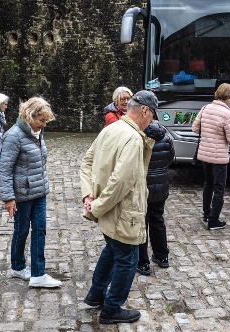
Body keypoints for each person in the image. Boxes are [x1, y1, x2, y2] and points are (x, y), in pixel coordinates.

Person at [80, 90, 157, 324]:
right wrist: (97, 206)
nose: (151, 121)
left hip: (111, 211)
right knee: (128, 259)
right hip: (123, 212)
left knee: (112, 252)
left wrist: (89, 195)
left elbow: (86, 162)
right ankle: (112, 309)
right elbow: (121, 182)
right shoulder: (133, 138)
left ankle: (96, 295)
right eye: (152, 116)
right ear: (144, 110)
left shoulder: (111, 129)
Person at [0, 97, 62, 288]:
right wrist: (9, 198)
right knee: (22, 230)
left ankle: (38, 274)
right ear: (29, 116)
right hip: (22, 194)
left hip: (39, 191)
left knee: (40, 230)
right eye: (41, 120)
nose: (44, 125)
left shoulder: (37, 133)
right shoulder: (14, 136)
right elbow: (5, 169)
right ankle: (18, 267)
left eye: (45, 121)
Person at [192, 83, 230, 230]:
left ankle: (206, 213)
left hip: (205, 154)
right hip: (219, 157)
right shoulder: (226, 113)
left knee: (208, 184)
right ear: (228, 97)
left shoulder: (205, 108)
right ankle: (214, 221)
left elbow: (195, 128)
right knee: (219, 188)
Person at [137, 122, 175, 276]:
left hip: (144, 187)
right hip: (160, 186)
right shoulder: (166, 138)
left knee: (141, 224)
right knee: (158, 220)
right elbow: (170, 159)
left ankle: (143, 262)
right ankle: (162, 256)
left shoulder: (139, 138)